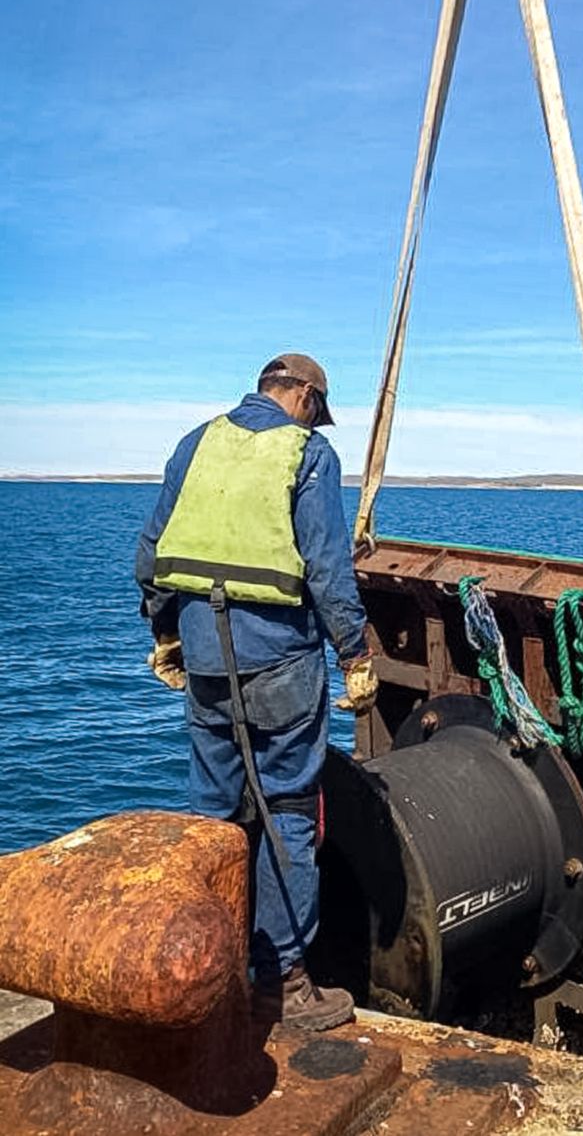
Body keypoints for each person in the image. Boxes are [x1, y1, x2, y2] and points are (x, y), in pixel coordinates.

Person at [135, 352, 377, 1032]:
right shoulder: (309, 454)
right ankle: (285, 988)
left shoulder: (198, 440)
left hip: (206, 662)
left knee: (213, 819)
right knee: (288, 814)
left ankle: (206, 976)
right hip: (280, 666)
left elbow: (152, 550)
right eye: (314, 407)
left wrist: (166, 632)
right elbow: (328, 569)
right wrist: (355, 652)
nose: (313, 418)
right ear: (300, 395)